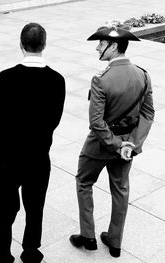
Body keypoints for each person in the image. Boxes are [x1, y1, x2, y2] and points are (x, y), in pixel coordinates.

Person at [69, 22, 154, 258]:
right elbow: (148, 113)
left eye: (101, 44)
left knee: (84, 182)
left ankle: (88, 236)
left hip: (99, 145)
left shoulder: (100, 80)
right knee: (121, 189)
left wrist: (116, 144)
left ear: (114, 47)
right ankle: (115, 242)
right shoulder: (143, 75)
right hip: (127, 146)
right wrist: (131, 144)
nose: (97, 48)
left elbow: (96, 123)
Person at [0, 23, 65, 263]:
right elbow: (54, 120)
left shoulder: (6, 77)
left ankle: (3, 252)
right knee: (35, 209)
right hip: (38, 158)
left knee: (5, 208)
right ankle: (31, 251)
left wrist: (6, 146)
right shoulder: (57, 80)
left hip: (8, 158)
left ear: (21, 45)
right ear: (44, 45)